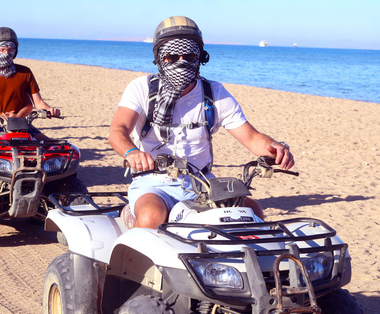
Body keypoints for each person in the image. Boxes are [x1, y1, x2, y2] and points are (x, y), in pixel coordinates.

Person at [108, 16, 294, 229]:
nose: (181, 61)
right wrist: (132, 152)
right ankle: (133, 233)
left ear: (200, 57)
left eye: (189, 55)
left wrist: (275, 148)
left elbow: (252, 138)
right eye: (171, 56)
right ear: (159, 58)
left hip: (202, 184)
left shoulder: (214, 93)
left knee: (252, 212)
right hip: (153, 183)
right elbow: (117, 131)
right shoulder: (141, 88)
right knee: (152, 215)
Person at [0, 27, 60, 142]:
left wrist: (50, 110)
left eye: (10, 49)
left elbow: (38, 102)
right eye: (2, 49)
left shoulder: (25, 72)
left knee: (51, 145)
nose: (6, 53)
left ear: (15, 50)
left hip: (20, 123)